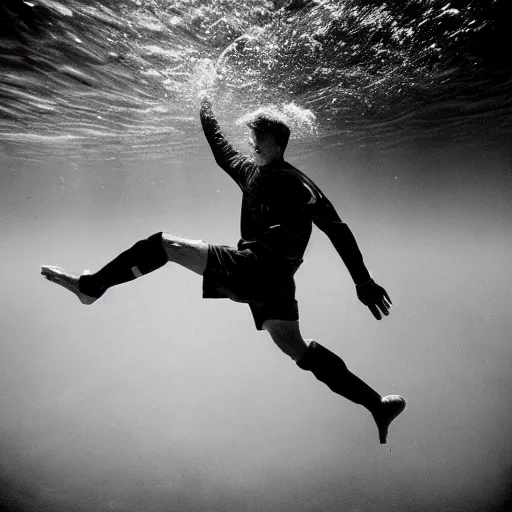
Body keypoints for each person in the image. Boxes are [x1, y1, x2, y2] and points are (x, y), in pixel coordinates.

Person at [41, 95, 405, 444]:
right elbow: (221, 151)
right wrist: (205, 108)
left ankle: (91, 287)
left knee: (165, 245)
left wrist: (363, 280)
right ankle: (376, 404)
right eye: (252, 139)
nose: (252, 146)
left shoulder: (297, 184)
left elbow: (336, 228)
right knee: (299, 350)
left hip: (256, 270)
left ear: (278, 142)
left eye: (258, 139)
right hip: (274, 283)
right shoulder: (252, 173)